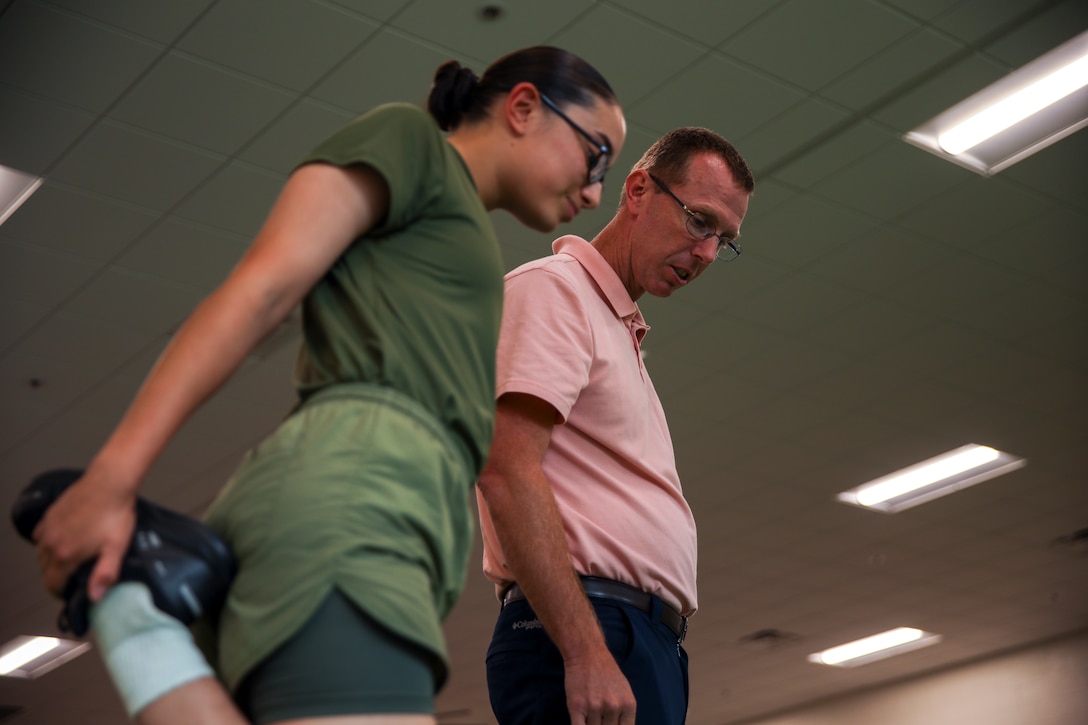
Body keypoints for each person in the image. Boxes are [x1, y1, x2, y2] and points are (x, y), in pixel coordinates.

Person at [29, 45, 626, 725]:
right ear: (523, 108)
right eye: (596, 155)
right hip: (357, 484)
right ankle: (133, 606)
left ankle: (136, 614)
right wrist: (112, 479)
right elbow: (263, 289)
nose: (593, 192)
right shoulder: (412, 143)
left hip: (378, 499)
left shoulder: (467, 234)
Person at [476, 127, 755, 725]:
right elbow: (504, 468)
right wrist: (584, 651)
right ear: (637, 191)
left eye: (724, 240)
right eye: (699, 221)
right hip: (588, 628)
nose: (707, 252)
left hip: (638, 637)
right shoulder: (556, 291)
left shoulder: (615, 325)